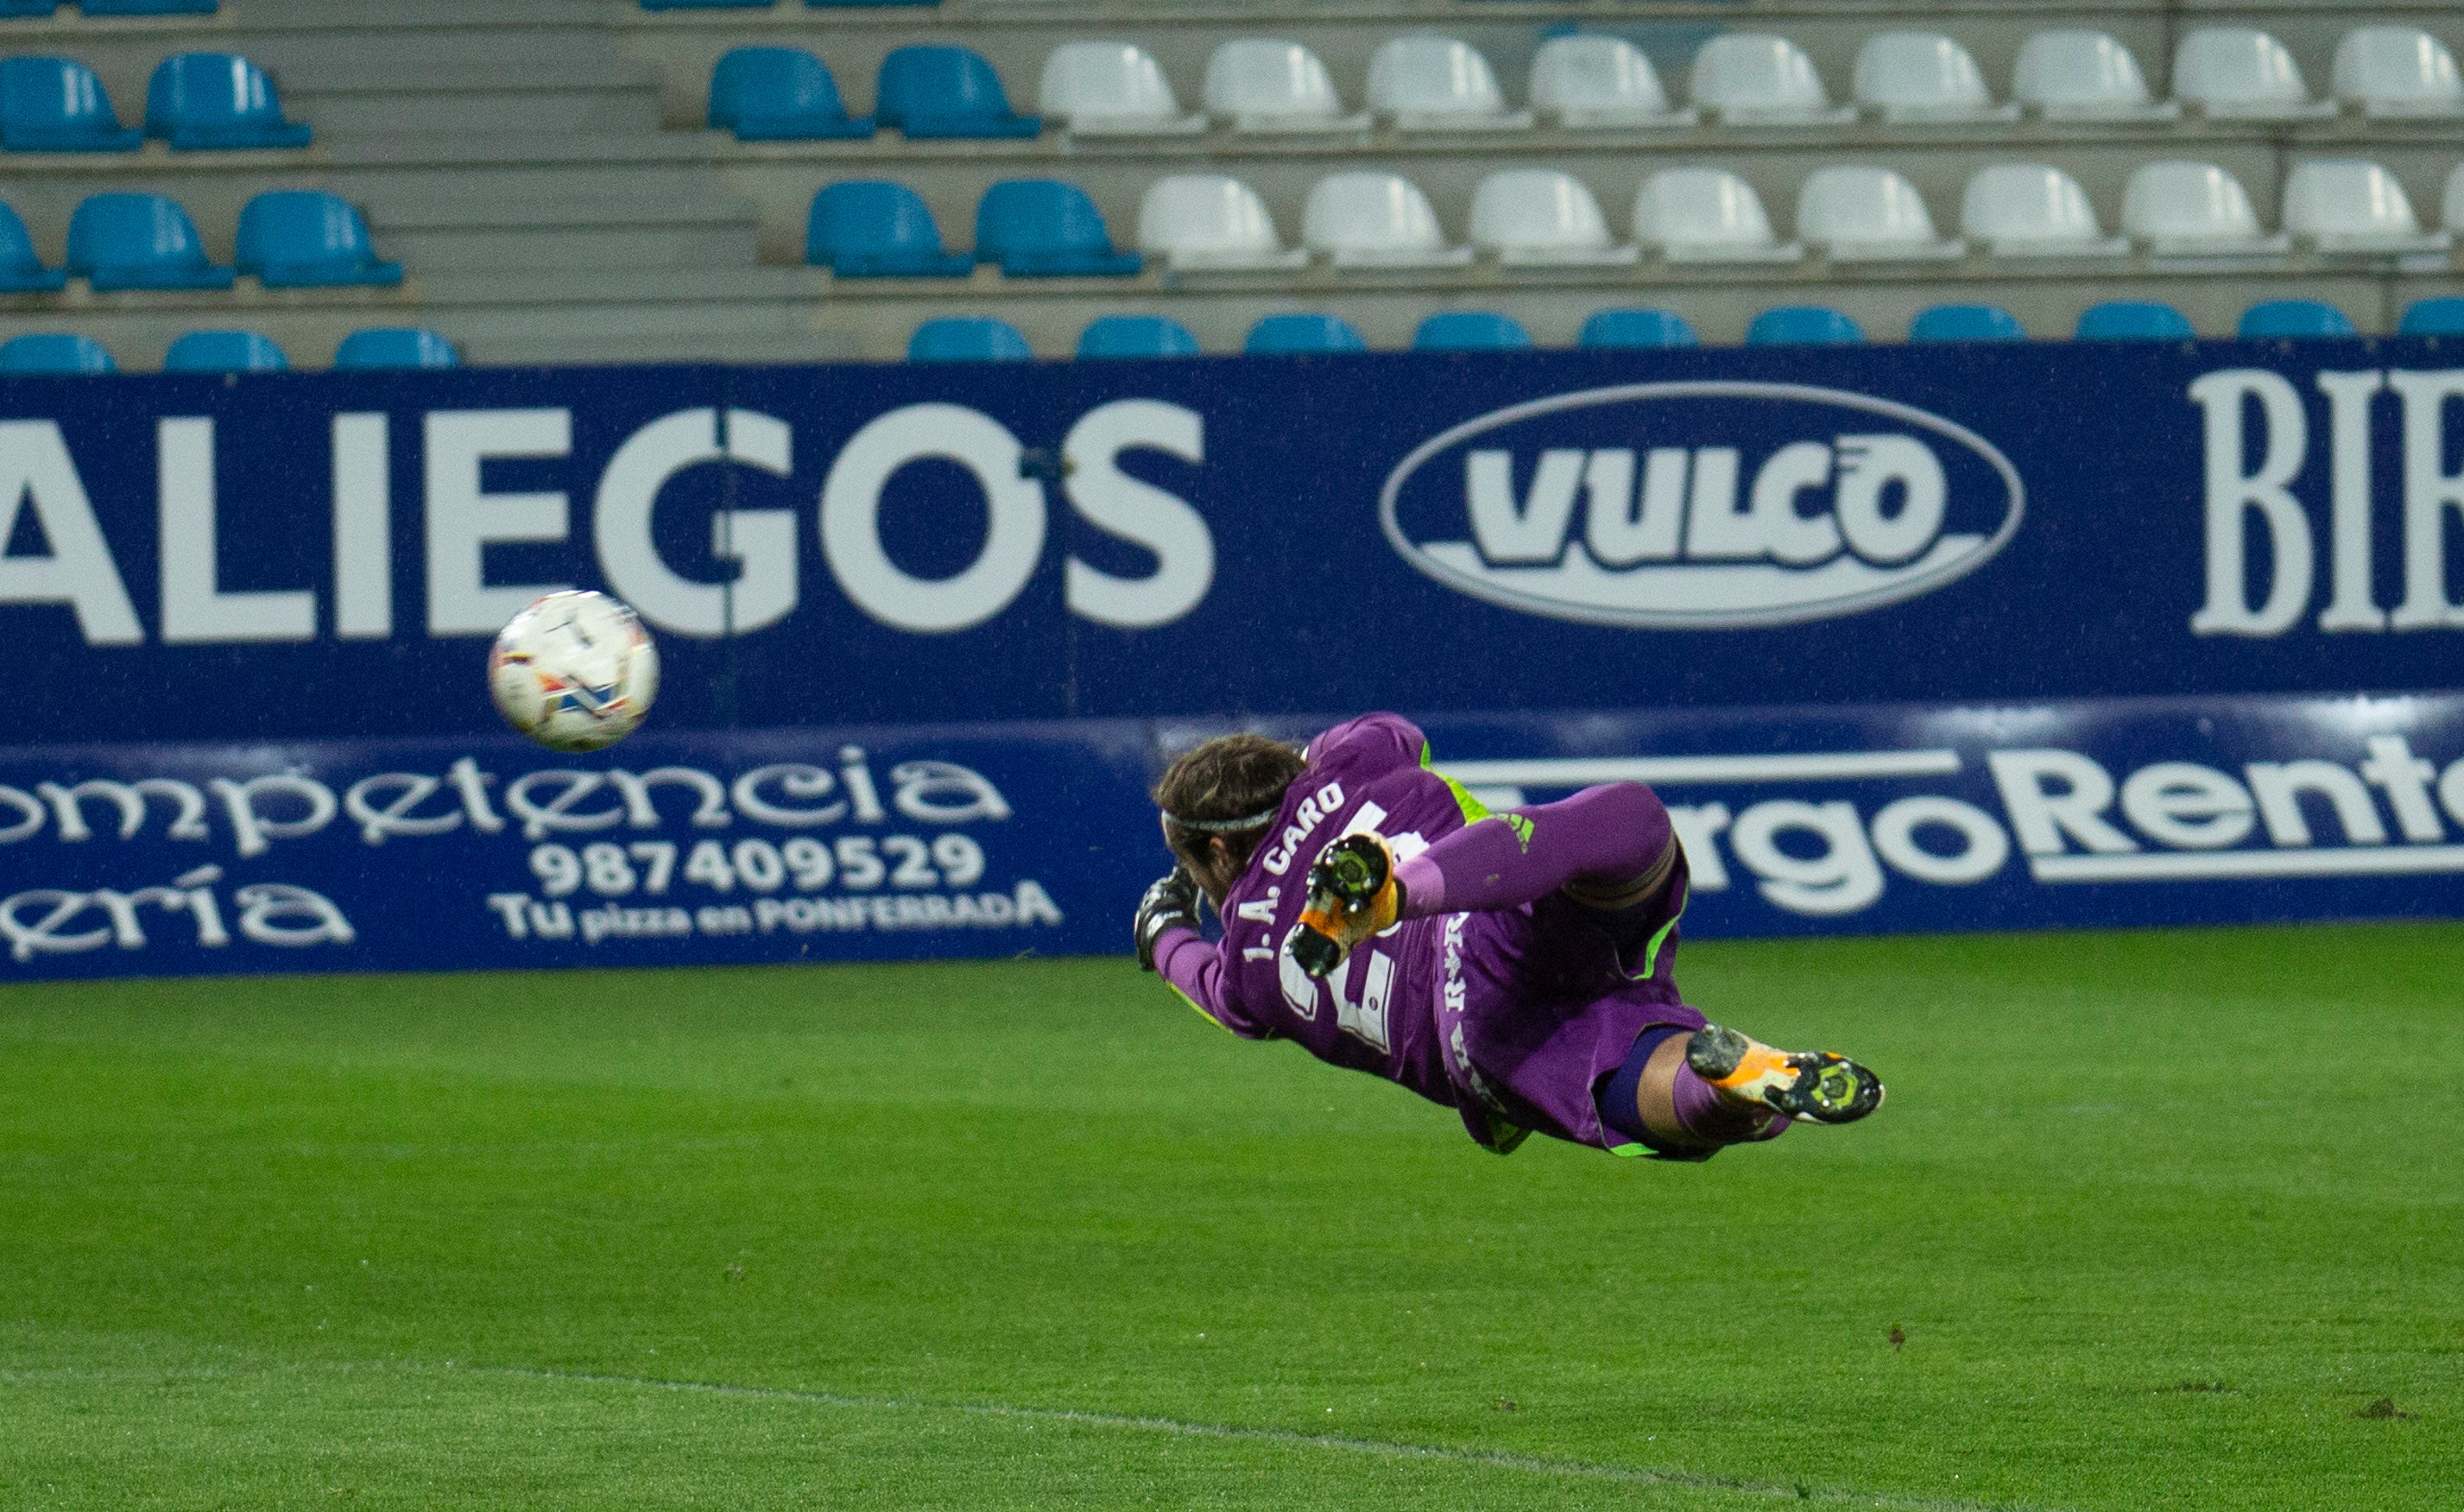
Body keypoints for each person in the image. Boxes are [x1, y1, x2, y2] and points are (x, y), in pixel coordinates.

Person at [1134, 712, 1882, 1160]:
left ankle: (1736, 1090)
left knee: (1638, 1078)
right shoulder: (1356, 760)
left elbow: (1201, 980)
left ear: (1223, 853)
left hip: (1475, 1042)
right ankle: (1401, 888)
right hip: (1496, 914)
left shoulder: (1249, 968)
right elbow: (1395, 731)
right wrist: (1301, 767)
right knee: (1623, 820)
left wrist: (1163, 927)